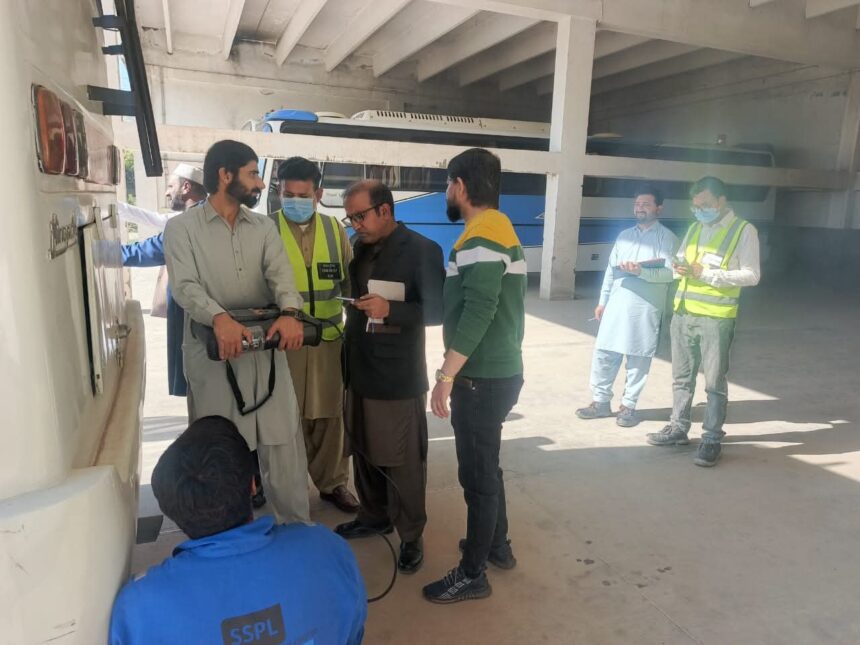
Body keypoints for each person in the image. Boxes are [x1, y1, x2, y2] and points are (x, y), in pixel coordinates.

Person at [108, 416, 366, 645]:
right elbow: (352, 632)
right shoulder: (327, 550)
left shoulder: (139, 608)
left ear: (172, 510)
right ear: (254, 485)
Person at [164, 140, 310, 523]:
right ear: (225, 176)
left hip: (266, 354)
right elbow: (185, 287)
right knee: (218, 453)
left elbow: (281, 275)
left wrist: (291, 312)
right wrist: (219, 318)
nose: (260, 184)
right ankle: (224, 544)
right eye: (252, 174)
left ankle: (295, 533)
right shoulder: (181, 229)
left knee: (283, 446)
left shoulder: (262, 227)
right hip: (215, 355)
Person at [423, 148, 526, 604]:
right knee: (487, 468)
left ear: (460, 185)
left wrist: (446, 374)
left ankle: (473, 573)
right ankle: (496, 546)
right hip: (492, 374)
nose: (447, 192)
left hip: (482, 378)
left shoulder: (483, 233)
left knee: (478, 478)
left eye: (448, 184)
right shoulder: (491, 229)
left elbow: (481, 308)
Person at [334, 180, 444, 575]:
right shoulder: (359, 247)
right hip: (358, 366)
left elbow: (436, 311)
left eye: (360, 215)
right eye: (350, 217)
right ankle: (373, 514)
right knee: (363, 451)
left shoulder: (421, 251)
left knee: (403, 462)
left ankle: (411, 534)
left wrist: (390, 309)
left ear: (385, 210)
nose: (355, 224)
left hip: (396, 375)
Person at [646, 176, 761, 467]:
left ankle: (711, 439)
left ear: (722, 200)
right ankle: (678, 427)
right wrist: (678, 265)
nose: (699, 211)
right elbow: (683, 261)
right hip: (683, 312)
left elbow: (751, 275)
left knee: (714, 383)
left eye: (706, 205)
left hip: (716, 318)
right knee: (681, 378)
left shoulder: (744, 231)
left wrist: (706, 274)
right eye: (696, 206)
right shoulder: (696, 228)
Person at [269, 157, 360, 514]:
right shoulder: (266, 229)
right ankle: (286, 490)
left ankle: (333, 483)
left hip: (328, 339)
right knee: (286, 418)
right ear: (279, 191)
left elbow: (350, 282)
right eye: (287, 193)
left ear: (318, 194)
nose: (294, 201)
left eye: (302, 194)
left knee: (329, 416)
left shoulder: (335, 230)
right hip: (284, 343)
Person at [575, 184, 679, 427]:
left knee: (638, 357)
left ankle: (628, 406)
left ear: (659, 208)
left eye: (646, 204)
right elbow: (610, 272)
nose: (640, 208)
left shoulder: (668, 239)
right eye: (637, 204)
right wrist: (603, 301)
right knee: (604, 353)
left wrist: (641, 271)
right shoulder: (624, 236)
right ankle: (600, 402)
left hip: (645, 309)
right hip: (616, 305)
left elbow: (671, 274)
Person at [121, 163, 206, 409]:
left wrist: (103, 252)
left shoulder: (188, 224)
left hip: (194, 314)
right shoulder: (201, 217)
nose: (167, 193)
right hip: (201, 312)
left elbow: (146, 251)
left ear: (186, 187)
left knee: (198, 385)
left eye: (170, 186)